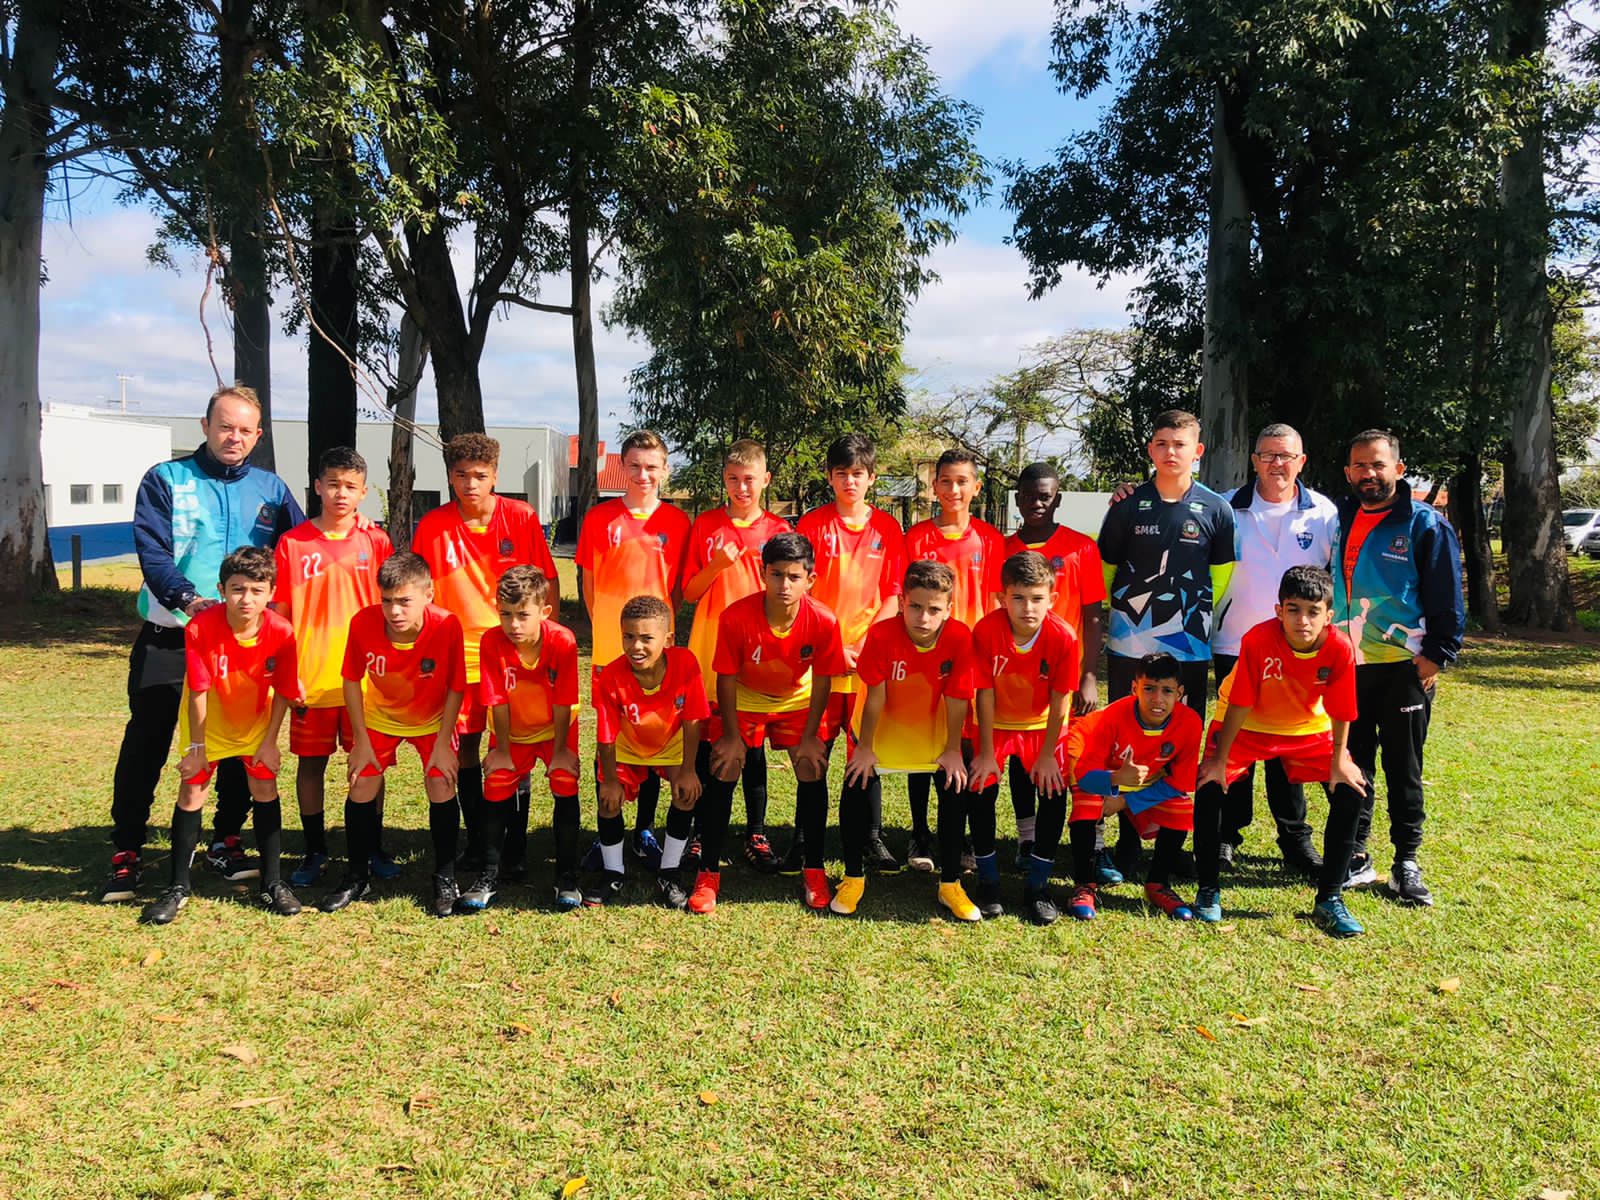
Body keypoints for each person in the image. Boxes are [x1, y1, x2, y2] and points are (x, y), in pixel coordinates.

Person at [104, 384, 304, 904]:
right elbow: (152, 550)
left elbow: (302, 543)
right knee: (148, 737)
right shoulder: (166, 479)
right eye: (225, 426)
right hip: (172, 636)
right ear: (205, 426)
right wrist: (190, 602)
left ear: (257, 436)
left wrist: (351, 526)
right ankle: (126, 849)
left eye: (244, 429)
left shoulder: (271, 488)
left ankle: (227, 838)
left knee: (241, 739)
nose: (234, 437)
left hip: (245, 643)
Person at [412, 434, 558, 882]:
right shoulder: (434, 526)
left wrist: (543, 641)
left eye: (480, 475)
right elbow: (420, 595)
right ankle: (478, 840)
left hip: (513, 655)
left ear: (495, 475)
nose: (470, 484)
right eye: (461, 475)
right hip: (457, 659)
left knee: (514, 746)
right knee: (469, 749)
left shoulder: (521, 517)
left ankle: (514, 846)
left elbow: (546, 583)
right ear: (450, 476)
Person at [1096, 409, 1235, 879]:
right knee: (1128, 743)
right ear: (1151, 450)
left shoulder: (1217, 509)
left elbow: (1221, 579)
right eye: (1161, 443)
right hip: (1130, 646)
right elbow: (1107, 572)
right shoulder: (1127, 505)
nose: (1170, 452)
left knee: (1179, 742)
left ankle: (1172, 840)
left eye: (1180, 444)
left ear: (1197, 452)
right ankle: (1128, 840)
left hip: (1189, 648)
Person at [1196, 566, 1368, 936]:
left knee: (1352, 791)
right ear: (1279, 611)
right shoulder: (1258, 639)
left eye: (1312, 611)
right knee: (1209, 787)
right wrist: (1220, 761)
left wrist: (1340, 761)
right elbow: (1241, 701)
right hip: (1246, 723)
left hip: (1308, 727)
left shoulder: (1339, 647)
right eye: (1293, 610)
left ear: (1328, 616)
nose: (1302, 620)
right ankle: (1208, 891)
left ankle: (1330, 899)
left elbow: (1342, 709)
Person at [1333, 430, 1464, 906]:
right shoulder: (1341, 516)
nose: (1369, 474)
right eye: (1360, 466)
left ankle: (1406, 861)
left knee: (1404, 768)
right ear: (1349, 473)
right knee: (1354, 762)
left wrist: (1436, 654)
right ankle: (1356, 855)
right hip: (1351, 667)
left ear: (1398, 470)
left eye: (1378, 465)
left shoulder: (1424, 524)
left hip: (1404, 668)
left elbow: (1448, 595)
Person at [140, 547, 303, 925]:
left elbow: (283, 690)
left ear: (271, 592)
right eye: (237, 589)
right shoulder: (202, 626)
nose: (246, 599)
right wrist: (197, 748)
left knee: (264, 789)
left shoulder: (281, 631)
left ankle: (273, 883)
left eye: (256, 590)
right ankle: (177, 888)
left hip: (255, 724)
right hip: (208, 725)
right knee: (192, 790)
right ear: (221, 588)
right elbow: (199, 691)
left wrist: (269, 742)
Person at [700, 532, 846, 914]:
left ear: (810, 580)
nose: (785, 585)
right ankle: (708, 873)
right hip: (745, 697)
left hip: (795, 698)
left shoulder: (824, 619)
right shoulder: (735, 616)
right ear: (762, 574)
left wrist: (812, 736)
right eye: (777, 574)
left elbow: (824, 679)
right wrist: (732, 737)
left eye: (794, 577)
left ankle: (813, 870)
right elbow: (726, 678)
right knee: (725, 765)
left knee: (812, 765)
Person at [271, 447, 394, 888]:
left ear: (363, 492)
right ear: (318, 487)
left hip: (365, 680)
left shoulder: (375, 541)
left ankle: (372, 847)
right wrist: (288, 672)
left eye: (351, 486)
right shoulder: (293, 542)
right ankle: (314, 849)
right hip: (313, 676)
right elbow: (281, 614)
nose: (341, 493)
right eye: (333, 484)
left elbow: (391, 608)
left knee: (369, 764)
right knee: (311, 764)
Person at [320, 552, 467, 916]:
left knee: (441, 782)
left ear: (428, 594)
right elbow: (351, 681)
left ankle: (445, 876)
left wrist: (445, 745)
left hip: (433, 721)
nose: (395, 611)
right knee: (361, 784)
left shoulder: (447, 625)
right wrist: (361, 742)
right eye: (387, 601)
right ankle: (357, 875)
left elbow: (456, 686)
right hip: (380, 718)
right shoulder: (363, 623)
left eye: (404, 601)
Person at [576, 429, 693, 862]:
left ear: (664, 470)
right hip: (611, 646)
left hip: (657, 651)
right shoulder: (598, 519)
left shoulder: (678, 523)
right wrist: (605, 629)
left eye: (651, 467)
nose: (643, 474)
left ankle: (644, 830)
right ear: (622, 467)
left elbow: (677, 590)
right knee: (611, 735)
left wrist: (660, 633)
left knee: (654, 732)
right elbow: (588, 586)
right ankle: (608, 834)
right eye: (635, 466)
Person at [834, 561, 973, 918]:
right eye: (915, 606)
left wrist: (954, 749)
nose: (923, 618)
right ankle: (853, 878)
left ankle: (951, 884)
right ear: (901, 602)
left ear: (949, 609)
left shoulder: (959, 637)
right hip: (881, 730)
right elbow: (875, 697)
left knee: (956, 788)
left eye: (934, 609)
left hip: (932, 730)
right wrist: (864, 748)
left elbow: (958, 697)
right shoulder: (881, 635)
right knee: (856, 784)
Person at [797, 433, 907, 874]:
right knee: (813, 755)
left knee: (865, 752)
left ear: (871, 478)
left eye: (857, 474)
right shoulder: (811, 524)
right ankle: (806, 843)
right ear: (830, 477)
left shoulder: (888, 529)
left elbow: (894, 593)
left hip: (866, 661)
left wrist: (864, 646)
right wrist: (833, 645)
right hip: (822, 657)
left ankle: (869, 839)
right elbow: (800, 591)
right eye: (841, 473)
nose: (849, 482)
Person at [682, 439, 790, 873]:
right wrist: (716, 567)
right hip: (711, 648)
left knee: (754, 743)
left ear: (765, 480)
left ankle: (756, 832)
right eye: (732, 479)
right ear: (723, 481)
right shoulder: (707, 525)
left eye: (749, 479)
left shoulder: (779, 531)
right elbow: (689, 592)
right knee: (712, 739)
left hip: (760, 654)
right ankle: (702, 833)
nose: (741, 488)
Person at [902, 448, 1005, 870]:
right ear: (934, 487)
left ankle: (958, 837)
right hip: (926, 653)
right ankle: (918, 835)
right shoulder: (917, 538)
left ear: (976, 487)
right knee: (921, 743)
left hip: (972, 656)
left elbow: (998, 599)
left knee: (961, 744)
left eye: (963, 481)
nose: (954, 489)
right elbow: (904, 600)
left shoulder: (990, 539)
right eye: (946, 481)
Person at [966, 552, 1081, 924]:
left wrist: (1049, 754)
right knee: (981, 785)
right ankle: (989, 882)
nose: (1027, 608)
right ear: (1002, 598)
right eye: (1018, 598)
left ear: (1052, 598)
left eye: (1036, 598)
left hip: (1041, 727)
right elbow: (983, 692)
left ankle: (1038, 886)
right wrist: (985, 752)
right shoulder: (986, 631)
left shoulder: (1063, 636)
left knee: (1052, 789)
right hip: (995, 725)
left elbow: (1060, 697)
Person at [1004, 461, 1106, 866]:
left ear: (1058, 499)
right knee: (1020, 756)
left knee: (1073, 757)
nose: (1037, 504)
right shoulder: (1003, 547)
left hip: (1066, 677)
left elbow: (1095, 616)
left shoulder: (1082, 548)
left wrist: (1090, 676)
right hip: (1019, 677)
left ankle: (1091, 842)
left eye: (1045, 496)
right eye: (1029, 497)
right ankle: (1027, 838)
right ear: (1017, 500)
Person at [468, 566, 581, 913]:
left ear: (544, 612)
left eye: (523, 615)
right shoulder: (491, 641)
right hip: (512, 731)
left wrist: (561, 751)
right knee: (497, 784)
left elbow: (564, 701)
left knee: (565, 783)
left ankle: (567, 878)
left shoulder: (563, 641)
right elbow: (496, 700)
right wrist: (502, 749)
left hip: (555, 730)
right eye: (506, 614)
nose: (513, 625)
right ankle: (488, 876)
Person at [1064, 653, 1203, 921]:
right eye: (1149, 689)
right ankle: (1084, 885)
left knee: (1182, 808)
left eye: (1167, 691)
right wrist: (1115, 780)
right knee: (1087, 804)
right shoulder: (1111, 717)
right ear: (1134, 688)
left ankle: (1157, 885)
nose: (1157, 699)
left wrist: (1126, 801)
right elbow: (1084, 776)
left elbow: (1180, 783)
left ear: (1180, 693)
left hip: (1139, 781)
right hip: (1096, 770)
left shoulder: (1190, 723)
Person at [592, 595, 709, 910]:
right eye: (628, 637)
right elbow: (605, 735)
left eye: (646, 638)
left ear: (668, 639)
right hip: (627, 747)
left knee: (687, 793)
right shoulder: (611, 676)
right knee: (609, 799)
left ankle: (669, 872)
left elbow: (694, 719)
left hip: (669, 744)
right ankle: (613, 872)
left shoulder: (686, 663)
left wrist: (688, 769)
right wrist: (610, 781)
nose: (636, 646)